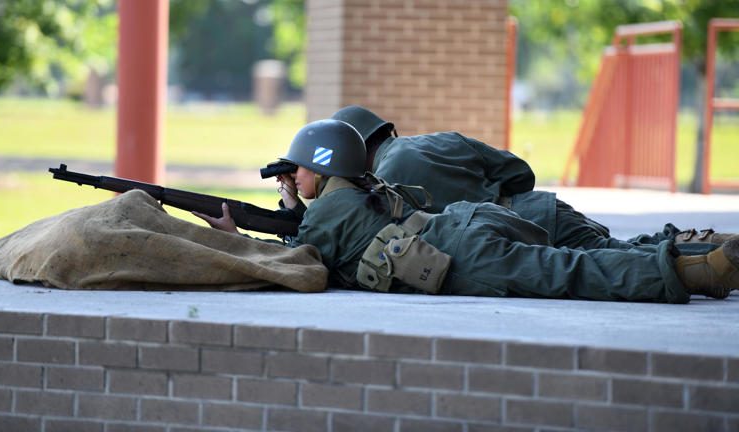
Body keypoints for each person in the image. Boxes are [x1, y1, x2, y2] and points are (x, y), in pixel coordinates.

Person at [194, 119, 739, 302]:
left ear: (323, 165)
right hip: (471, 222)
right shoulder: (362, 190)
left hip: (464, 255)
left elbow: (299, 265)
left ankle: (698, 271)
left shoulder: (327, 216)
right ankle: (703, 253)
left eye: (299, 170)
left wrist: (230, 235)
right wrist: (293, 205)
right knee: (590, 253)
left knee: (577, 274)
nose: (294, 179)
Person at [328, 106, 736, 250]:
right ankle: (711, 247)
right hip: (541, 210)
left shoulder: (381, 189)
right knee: (621, 249)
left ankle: (714, 260)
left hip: (512, 237)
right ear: (383, 130)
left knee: (626, 257)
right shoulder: (443, 140)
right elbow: (521, 172)